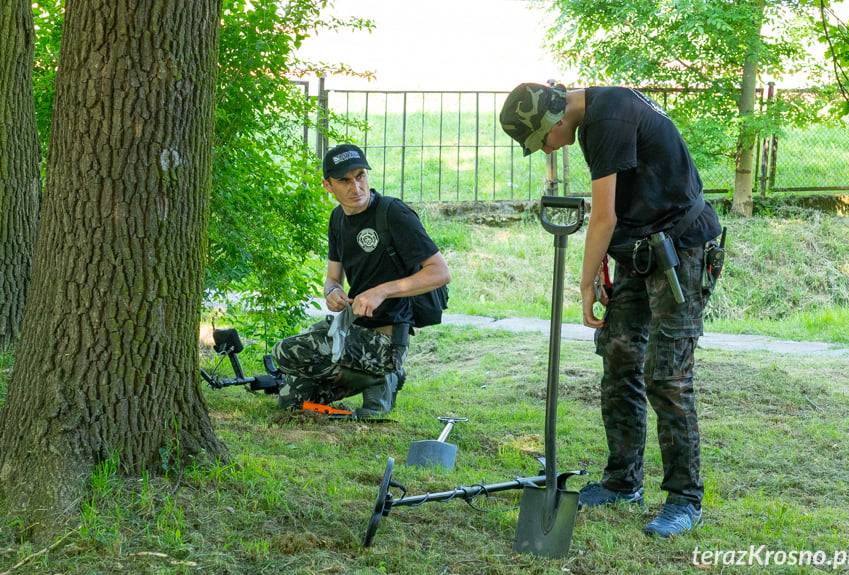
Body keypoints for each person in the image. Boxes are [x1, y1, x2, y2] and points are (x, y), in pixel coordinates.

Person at [500, 83, 723, 537]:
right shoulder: (592, 118)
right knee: (619, 359)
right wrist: (606, 264)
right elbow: (622, 204)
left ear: (553, 119)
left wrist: (585, 284)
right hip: (640, 251)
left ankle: (684, 499)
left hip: (681, 249)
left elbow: (604, 217)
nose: (548, 150)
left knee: (668, 375)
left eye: (542, 141)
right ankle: (623, 482)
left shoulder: (609, 117)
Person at [273, 144, 451, 418]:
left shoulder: (392, 213)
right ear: (328, 186)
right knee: (292, 400)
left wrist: (382, 291)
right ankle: (373, 380)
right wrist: (332, 292)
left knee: (285, 351)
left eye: (360, 176)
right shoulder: (337, 219)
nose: (355, 187)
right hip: (352, 331)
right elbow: (333, 279)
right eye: (344, 181)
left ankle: (385, 375)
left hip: (386, 340)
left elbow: (440, 272)